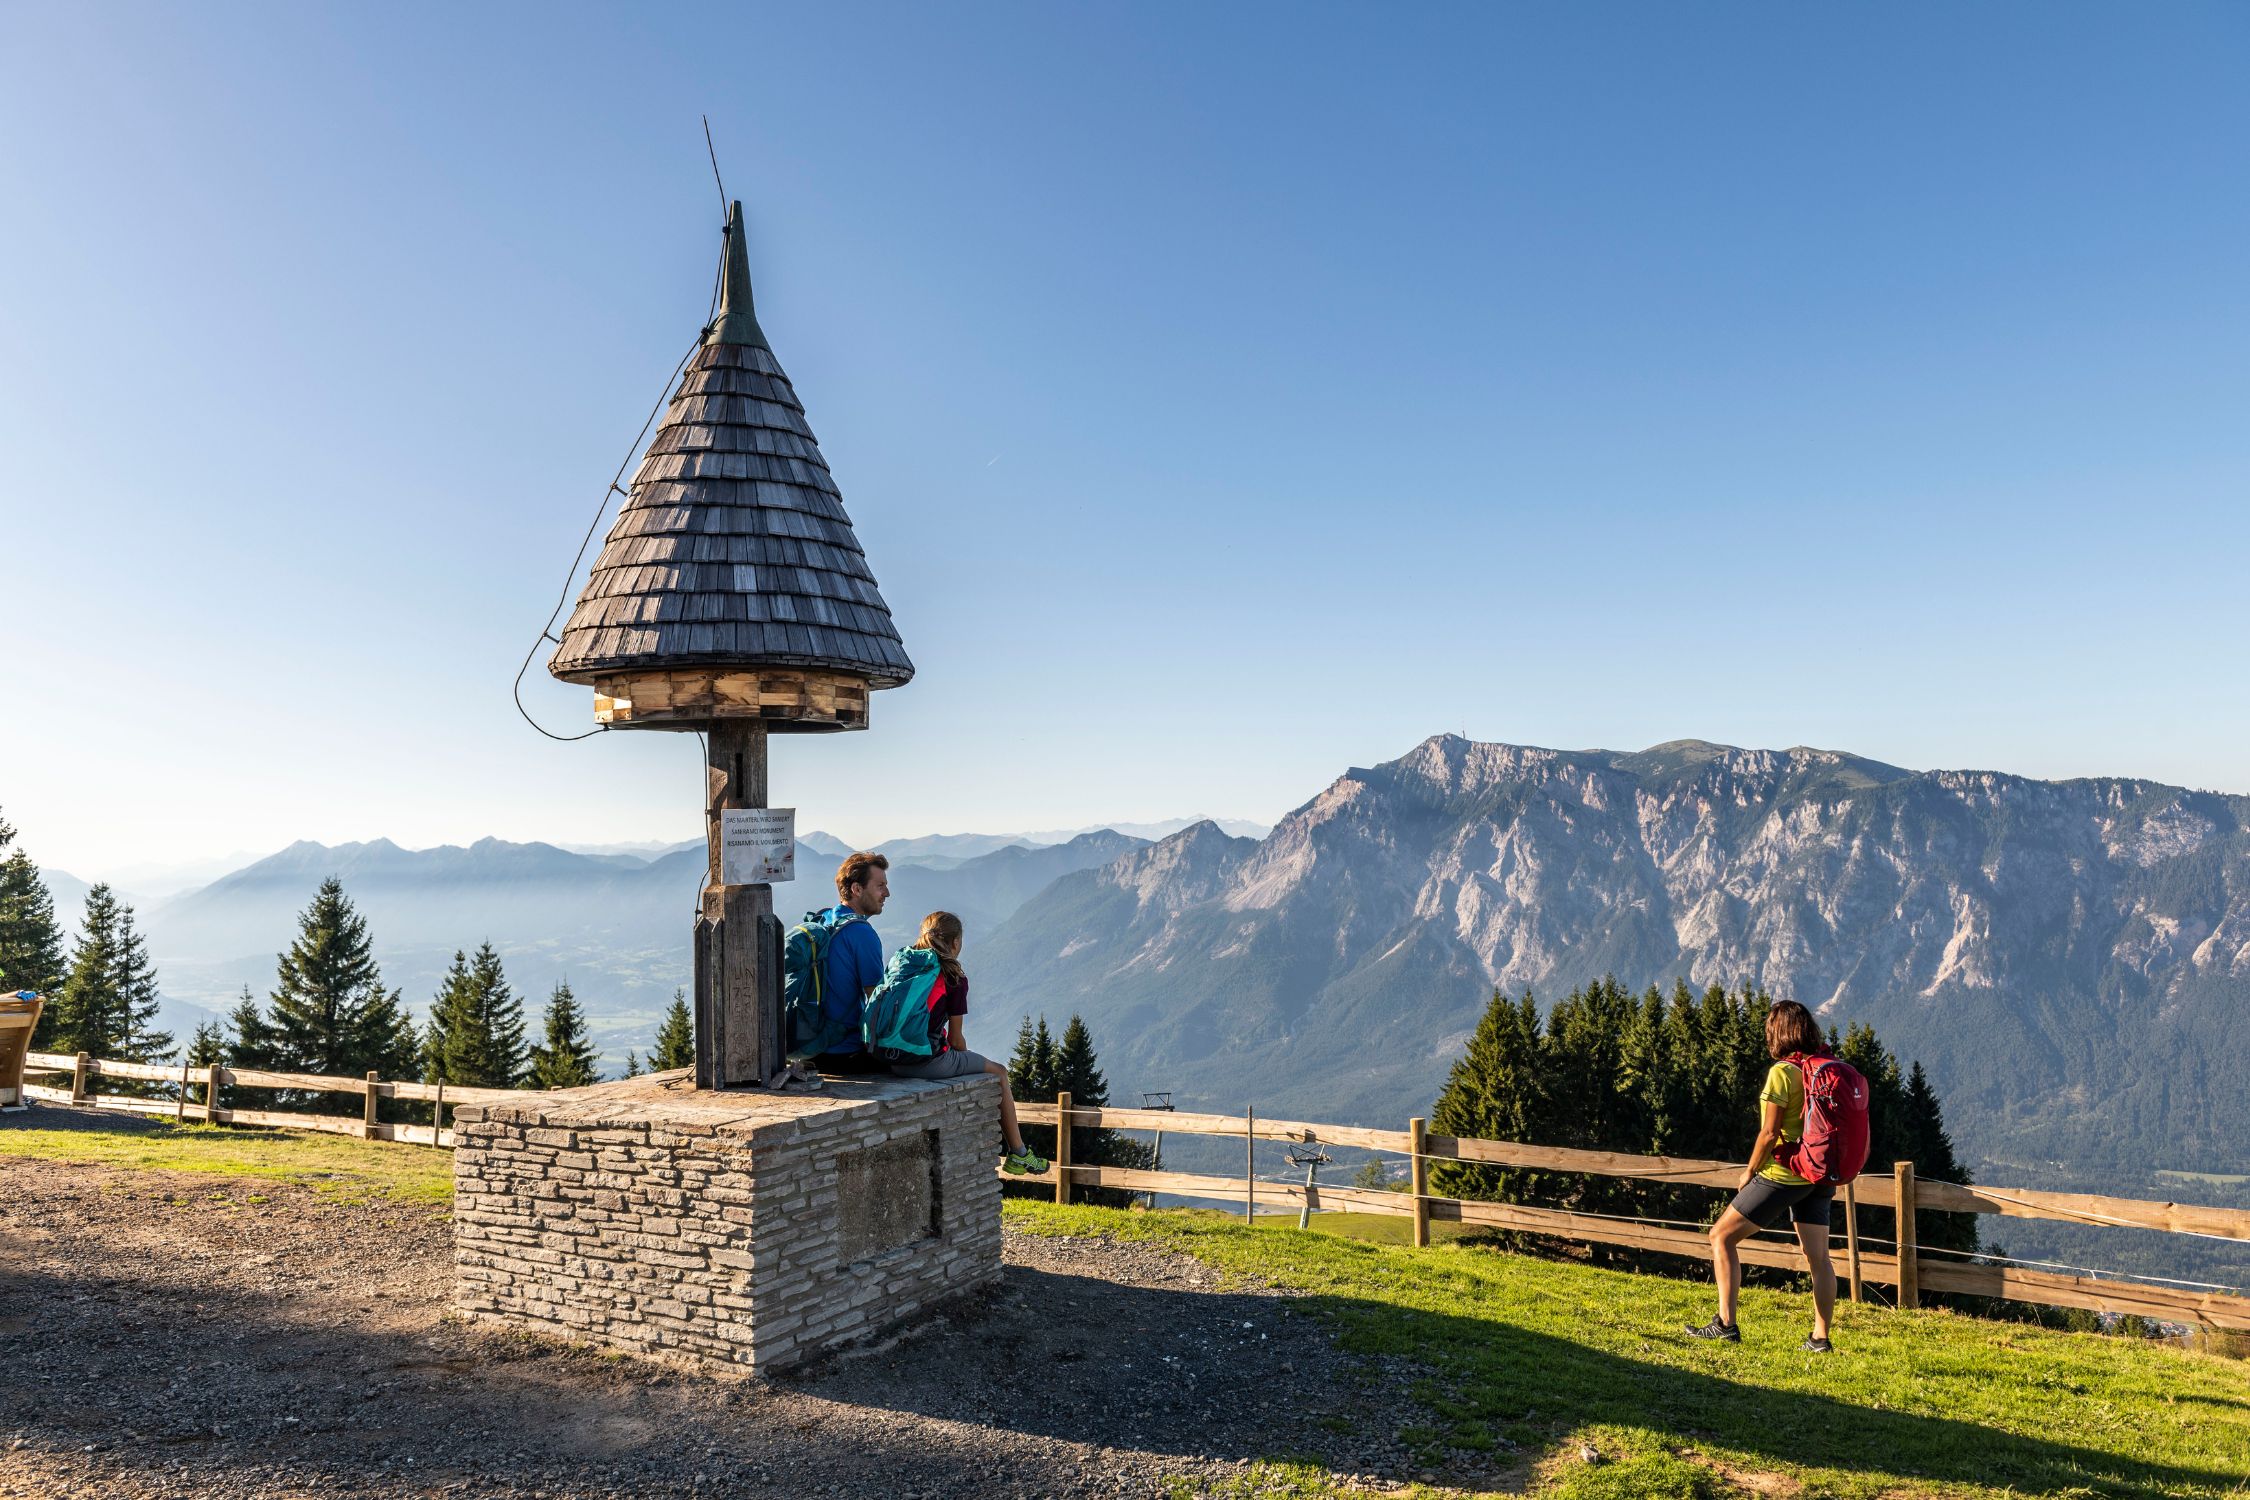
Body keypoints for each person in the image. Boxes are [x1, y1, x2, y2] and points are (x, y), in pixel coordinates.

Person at [1687, 999, 1839, 1352]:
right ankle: (1820, 1338)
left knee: (1720, 1236)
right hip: (1818, 1174)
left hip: (1784, 1174)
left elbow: (1769, 1134)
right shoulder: (1824, 1069)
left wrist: (1749, 1171)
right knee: (1819, 1258)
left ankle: (1725, 1324)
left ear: (1778, 1033)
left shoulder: (1782, 1073)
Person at [884, 911, 1047, 1176]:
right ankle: (1019, 1153)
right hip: (928, 1061)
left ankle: (1019, 1153)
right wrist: (967, 1057)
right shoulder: (953, 977)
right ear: (956, 943)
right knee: (1000, 1072)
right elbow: (955, 1039)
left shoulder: (903, 965)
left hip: (891, 1060)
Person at [812, 852, 891, 1075]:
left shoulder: (824, 920)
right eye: (880, 886)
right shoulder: (861, 933)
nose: (886, 893)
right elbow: (876, 1002)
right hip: (845, 1053)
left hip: (811, 1049)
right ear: (857, 889)